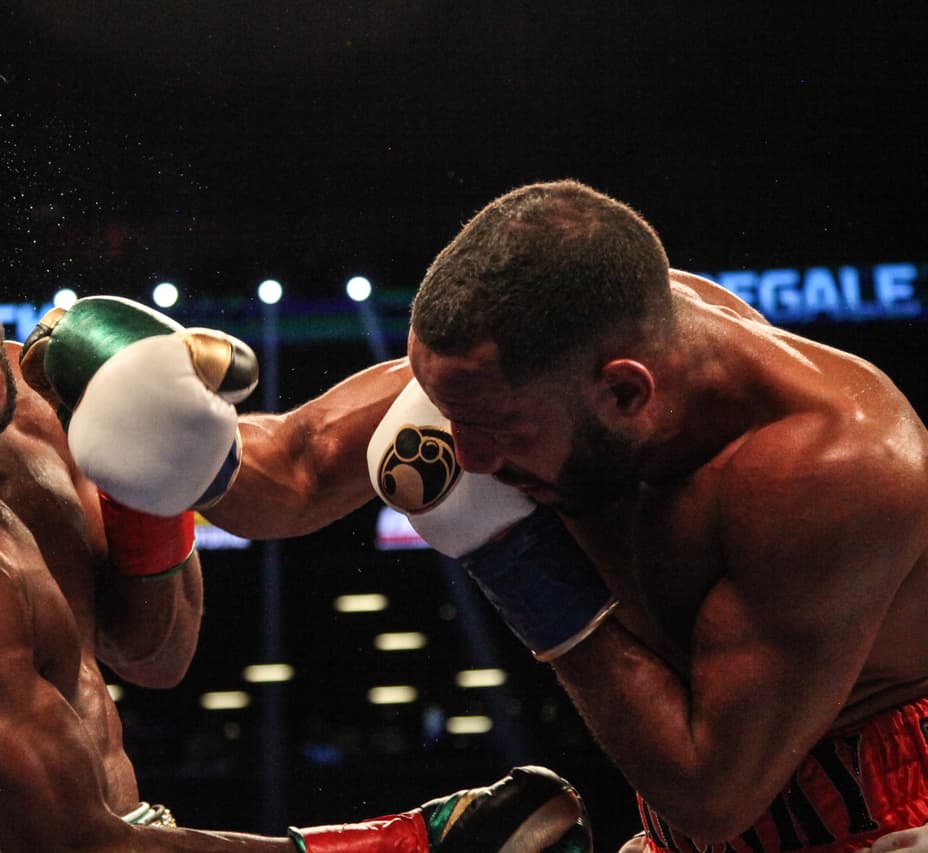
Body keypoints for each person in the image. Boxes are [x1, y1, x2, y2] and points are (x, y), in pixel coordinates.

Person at [48, 180, 928, 853]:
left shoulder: (832, 470)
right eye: (448, 412)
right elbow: (297, 469)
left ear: (626, 392)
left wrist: (512, 551)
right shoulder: (520, 359)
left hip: (880, 820)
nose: (461, 455)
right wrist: (162, 419)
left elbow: (713, 786)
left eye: (496, 435)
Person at [0, 163, 592, 853]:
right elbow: (83, 848)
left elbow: (156, 651)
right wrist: (394, 847)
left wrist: (143, 481)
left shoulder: (30, 399)